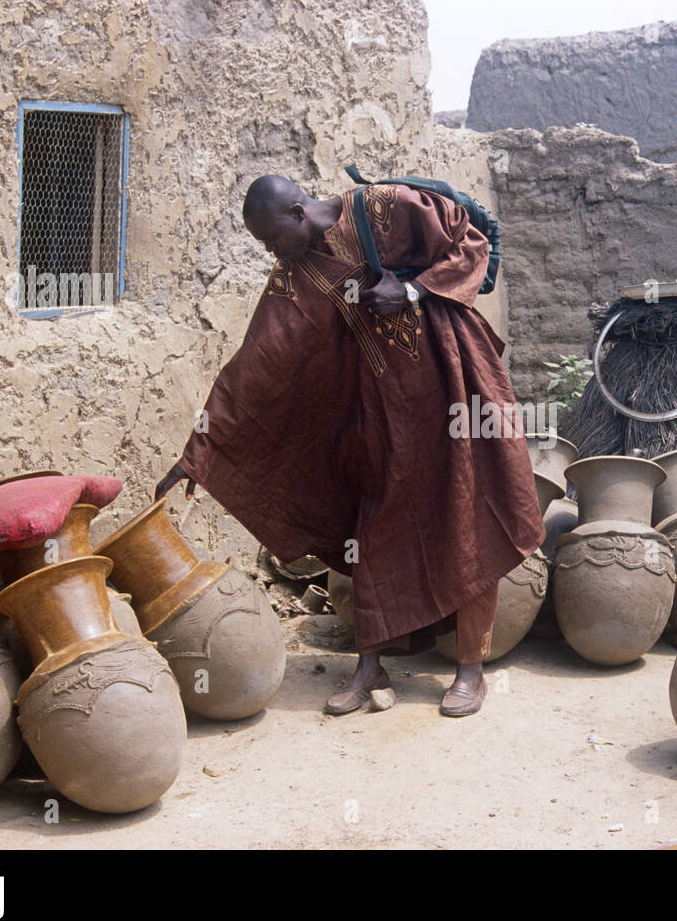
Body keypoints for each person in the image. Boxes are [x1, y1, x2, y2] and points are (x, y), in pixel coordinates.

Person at [155, 175, 544, 717]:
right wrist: (200, 447)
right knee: (376, 523)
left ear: (296, 211)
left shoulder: (389, 206)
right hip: (385, 413)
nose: (272, 253)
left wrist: (412, 289)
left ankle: (470, 673)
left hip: (455, 383)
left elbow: (470, 245)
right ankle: (370, 666)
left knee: (466, 515)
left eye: (271, 240)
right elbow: (257, 359)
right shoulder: (296, 273)